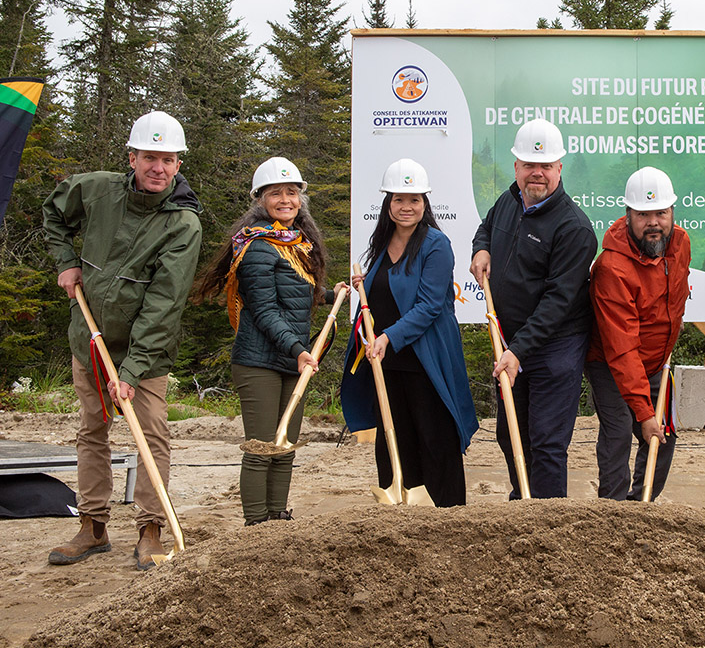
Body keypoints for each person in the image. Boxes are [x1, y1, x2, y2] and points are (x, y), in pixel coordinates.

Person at [43, 111, 202, 569]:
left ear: (178, 164)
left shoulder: (182, 225)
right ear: (132, 157)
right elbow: (54, 211)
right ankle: (92, 526)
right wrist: (65, 261)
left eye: (168, 159)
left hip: (146, 353)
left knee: (150, 435)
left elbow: (164, 305)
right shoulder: (96, 189)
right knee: (92, 429)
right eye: (149, 157)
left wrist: (131, 372)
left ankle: (150, 529)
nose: (158, 168)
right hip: (89, 338)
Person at [193, 157, 346, 526]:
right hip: (260, 361)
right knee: (262, 447)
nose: (285, 199)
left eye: (291, 192)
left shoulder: (296, 243)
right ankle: (256, 523)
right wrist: (299, 350)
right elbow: (264, 311)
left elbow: (293, 294)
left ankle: (277, 516)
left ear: (300, 199)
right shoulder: (256, 245)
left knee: (285, 446)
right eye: (275, 193)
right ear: (259, 199)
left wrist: (328, 294)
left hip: (294, 359)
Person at [470, 119, 597, 499]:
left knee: (545, 442)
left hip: (554, 348)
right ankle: (522, 503)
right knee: (510, 435)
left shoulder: (574, 229)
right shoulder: (509, 200)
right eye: (529, 165)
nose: (536, 173)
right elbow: (486, 228)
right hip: (510, 341)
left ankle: (548, 523)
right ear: (516, 167)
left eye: (545, 166)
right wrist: (481, 248)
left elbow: (557, 304)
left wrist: (517, 352)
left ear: (560, 168)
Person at [341, 159, 478, 507]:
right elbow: (384, 296)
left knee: (434, 438)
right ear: (388, 204)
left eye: (414, 199)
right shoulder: (383, 242)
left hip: (424, 360)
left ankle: (447, 512)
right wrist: (363, 287)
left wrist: (387, 338)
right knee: (394, 438)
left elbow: (430, 306)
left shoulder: (436, 244)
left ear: (425, 204)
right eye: (399, 199)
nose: (407, 207)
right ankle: (401, 504)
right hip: (388, 364)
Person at [587, 167, 690, 501]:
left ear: (672, 211)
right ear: (628, 214)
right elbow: (622, 348)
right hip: (611, 360)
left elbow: (673, 295)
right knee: (619, 432)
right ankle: (613, 513)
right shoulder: (611, 268)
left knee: (664, 434)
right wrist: (644, 413)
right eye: (643, 214)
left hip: (656, 358)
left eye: (661, 212)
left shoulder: (681, 243)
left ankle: (641, 504)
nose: (654, 222)